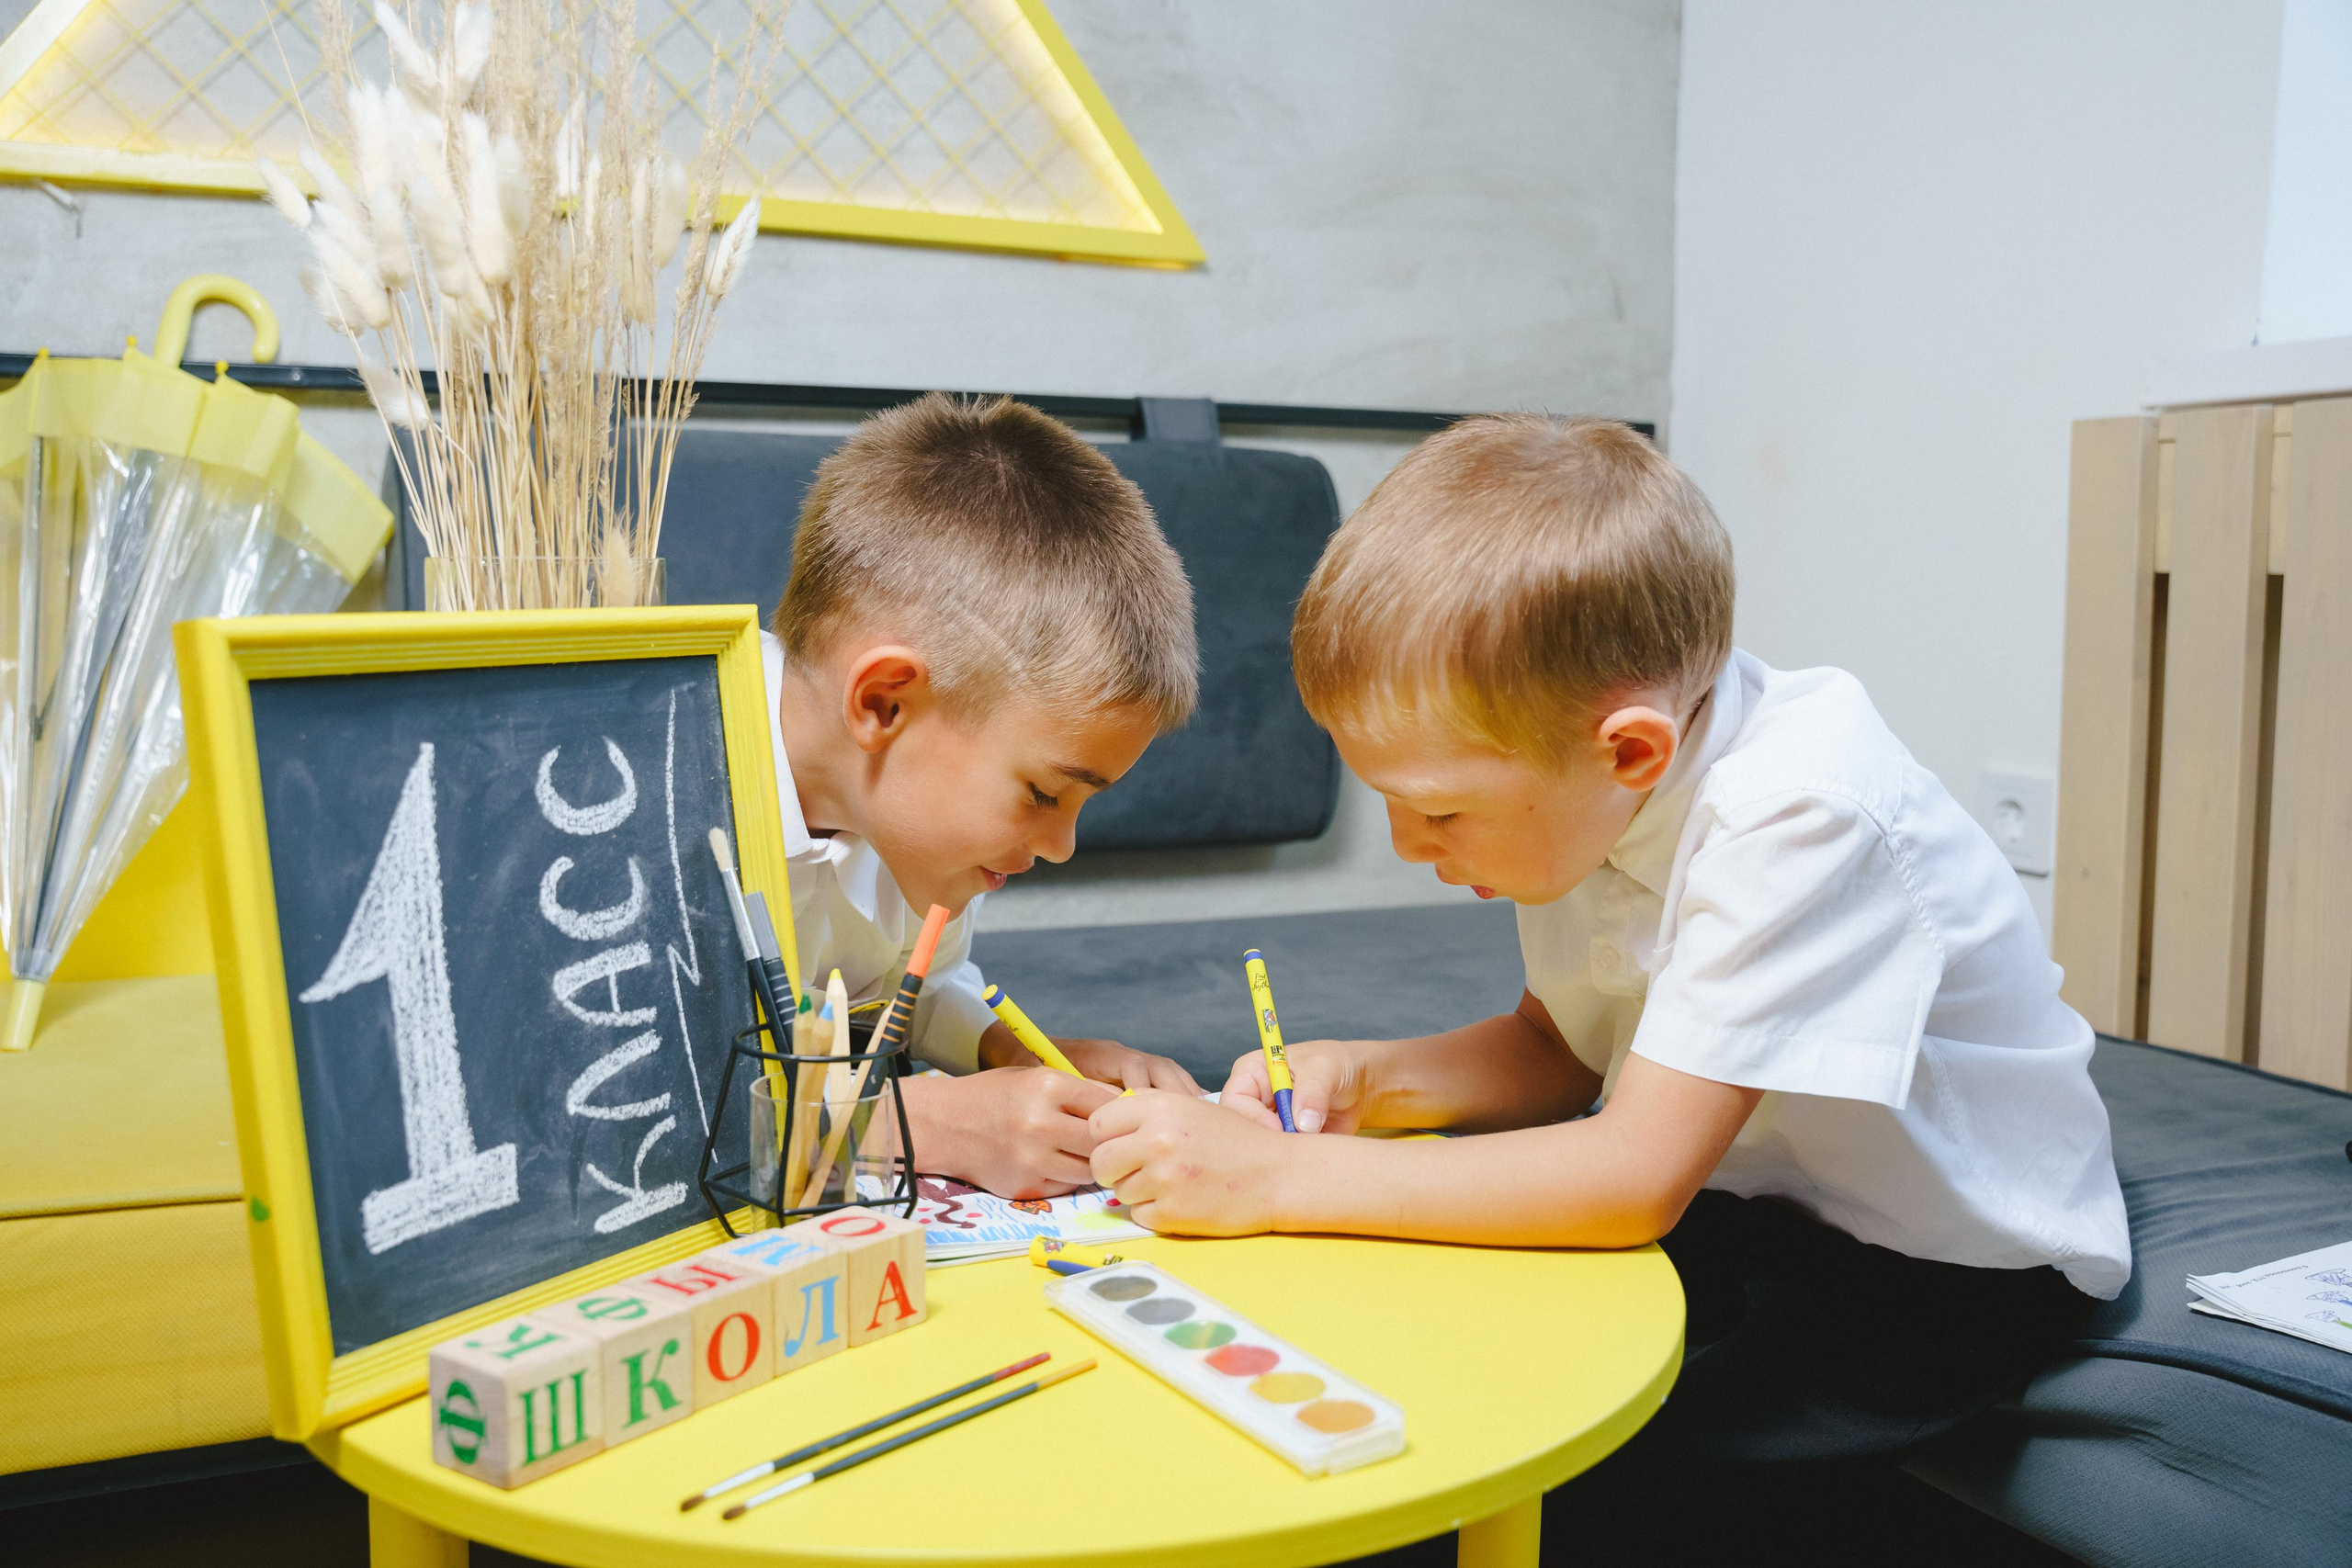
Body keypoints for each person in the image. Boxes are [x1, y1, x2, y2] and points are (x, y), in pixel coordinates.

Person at [1088, 414, 2129, 1557]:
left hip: (1939, 1265)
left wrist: (1280, 1175)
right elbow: (1558, 1053)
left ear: (1625, 751)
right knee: (1441, 1360)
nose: (1408, 845)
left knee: (1599, 1481)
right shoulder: (1587, 785)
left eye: (1438, 811)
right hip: (1754, 1198)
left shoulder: (1800, 812)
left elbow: (1631, 1176)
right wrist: (1369, 1082)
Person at [767, 391, 1201, 1199]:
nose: (1063, 845)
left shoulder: (910, 824)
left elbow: (909, 985)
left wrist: (1002, 1048)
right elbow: (631, 1106)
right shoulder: (656, 785)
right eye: (1043, 791)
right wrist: (923, 1123)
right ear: (884, 704)